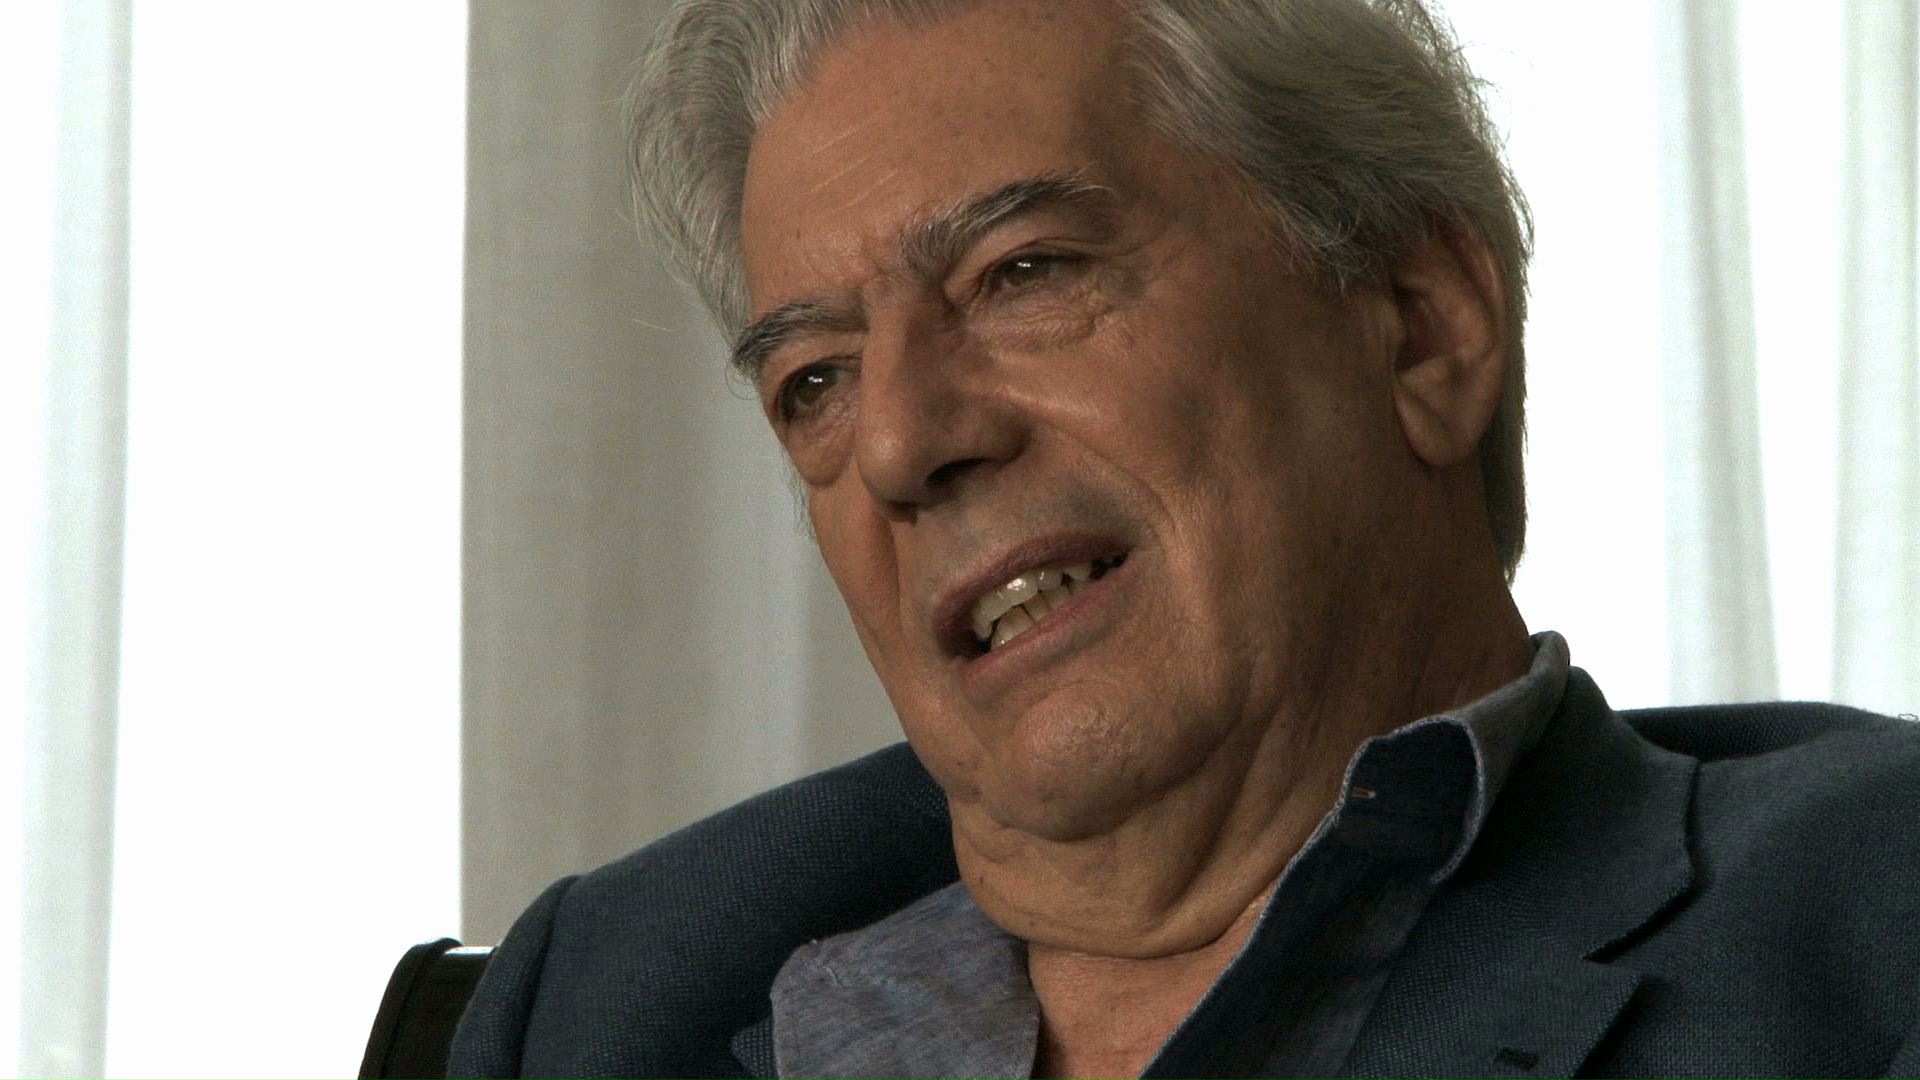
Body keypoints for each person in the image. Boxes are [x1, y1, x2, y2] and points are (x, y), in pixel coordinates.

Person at [448, 0, 1920, 1076]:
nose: (897, 443)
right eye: (814, 380)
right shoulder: (607, 1003)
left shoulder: (1865, 926)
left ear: (1420, 329)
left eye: (1023, 272)